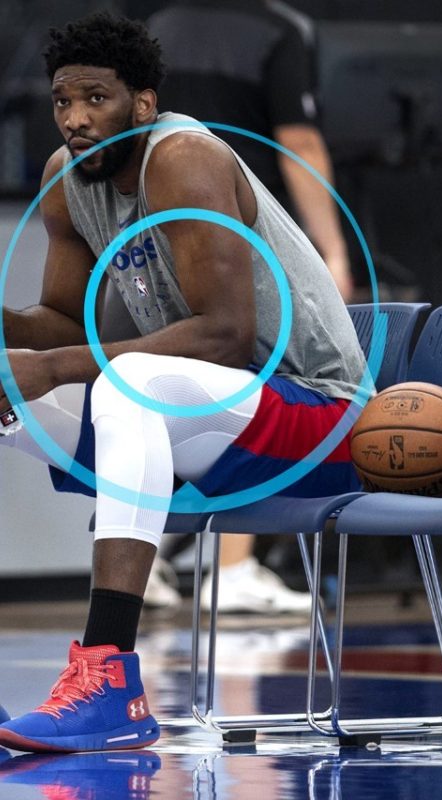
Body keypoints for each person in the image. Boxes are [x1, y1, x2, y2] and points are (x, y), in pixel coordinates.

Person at [0, 11, 366, 753]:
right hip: (206, 422)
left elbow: (227, 338)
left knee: (129, 381)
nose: (75, 119)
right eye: (63, 101)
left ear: (142, 102)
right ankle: (105, 688)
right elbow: (64, 324)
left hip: (315, 415)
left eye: (95, 99)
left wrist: (52, 368)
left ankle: (107, 678)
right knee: (52, 393)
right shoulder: (68, 180)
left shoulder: (185, 158)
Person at [141, 0, 355, 614]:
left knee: (162, 388)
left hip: (156, 231)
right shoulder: (279, 30)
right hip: (238, 229)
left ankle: (142, 559)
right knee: (255, 378)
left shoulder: (160, 24)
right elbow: (301, 141)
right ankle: (233, 566)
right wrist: (332, 252)